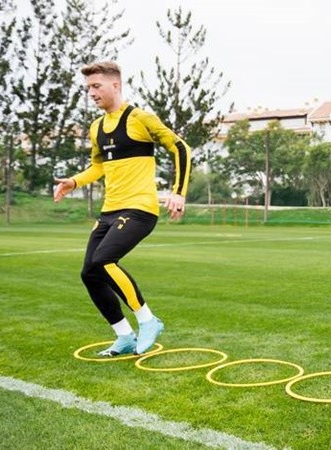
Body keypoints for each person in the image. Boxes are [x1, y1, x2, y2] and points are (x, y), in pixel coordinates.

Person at [54, 61, 191, 356]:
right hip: (109, 211)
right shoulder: (96, 127)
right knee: (90, 273)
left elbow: (180, 147)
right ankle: (124, 335)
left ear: (115, 85)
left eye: (96, 86)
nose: (91, 93)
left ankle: (148, 320)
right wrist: (73, 182)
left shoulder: (140, 118)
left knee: (104, 260)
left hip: (139, 209)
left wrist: (178, 192)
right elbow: (98, 166)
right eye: (88, 88)